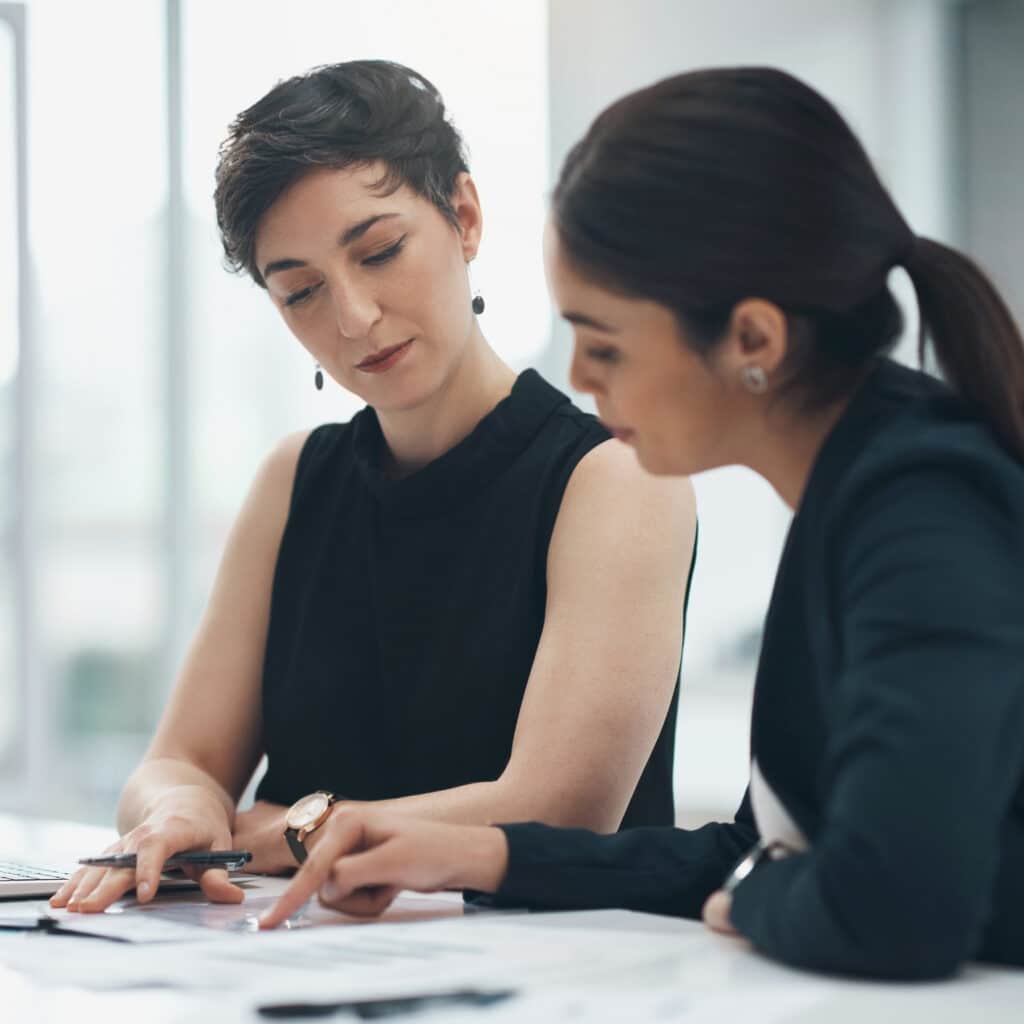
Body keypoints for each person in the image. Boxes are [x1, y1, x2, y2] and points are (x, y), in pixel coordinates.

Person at [257, 66, 1024, 981]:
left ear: (753, 341)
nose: (580, 376)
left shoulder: (920, 506)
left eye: (606, 341)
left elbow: (891, 911)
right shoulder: (857, 492)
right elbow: (760, 848)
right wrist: (476, 854)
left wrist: (750, 897)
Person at [50, 61, 696, 913]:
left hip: (549, 980)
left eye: (381, 251)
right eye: (302, 292)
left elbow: (558, 810)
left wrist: (278, 829)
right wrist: (181, 809)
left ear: (463, 218)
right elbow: (178, 762)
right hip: (294, 968)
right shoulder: (294, 479)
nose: (352, 317)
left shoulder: (615, 476)